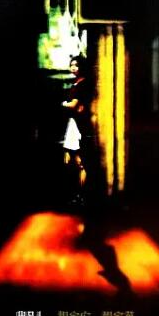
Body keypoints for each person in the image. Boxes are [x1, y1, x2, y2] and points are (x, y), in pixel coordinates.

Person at [61, 55, 91, 204]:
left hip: (77, 125)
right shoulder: (77, 83)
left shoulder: (81, 84)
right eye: (71, 65)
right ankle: (77, 193)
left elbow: (74, 104)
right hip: (73, 124)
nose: (73, 67)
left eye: (76, 65)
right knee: (71, 159)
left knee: (79, 161)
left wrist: (63, 104)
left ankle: (80, 194)